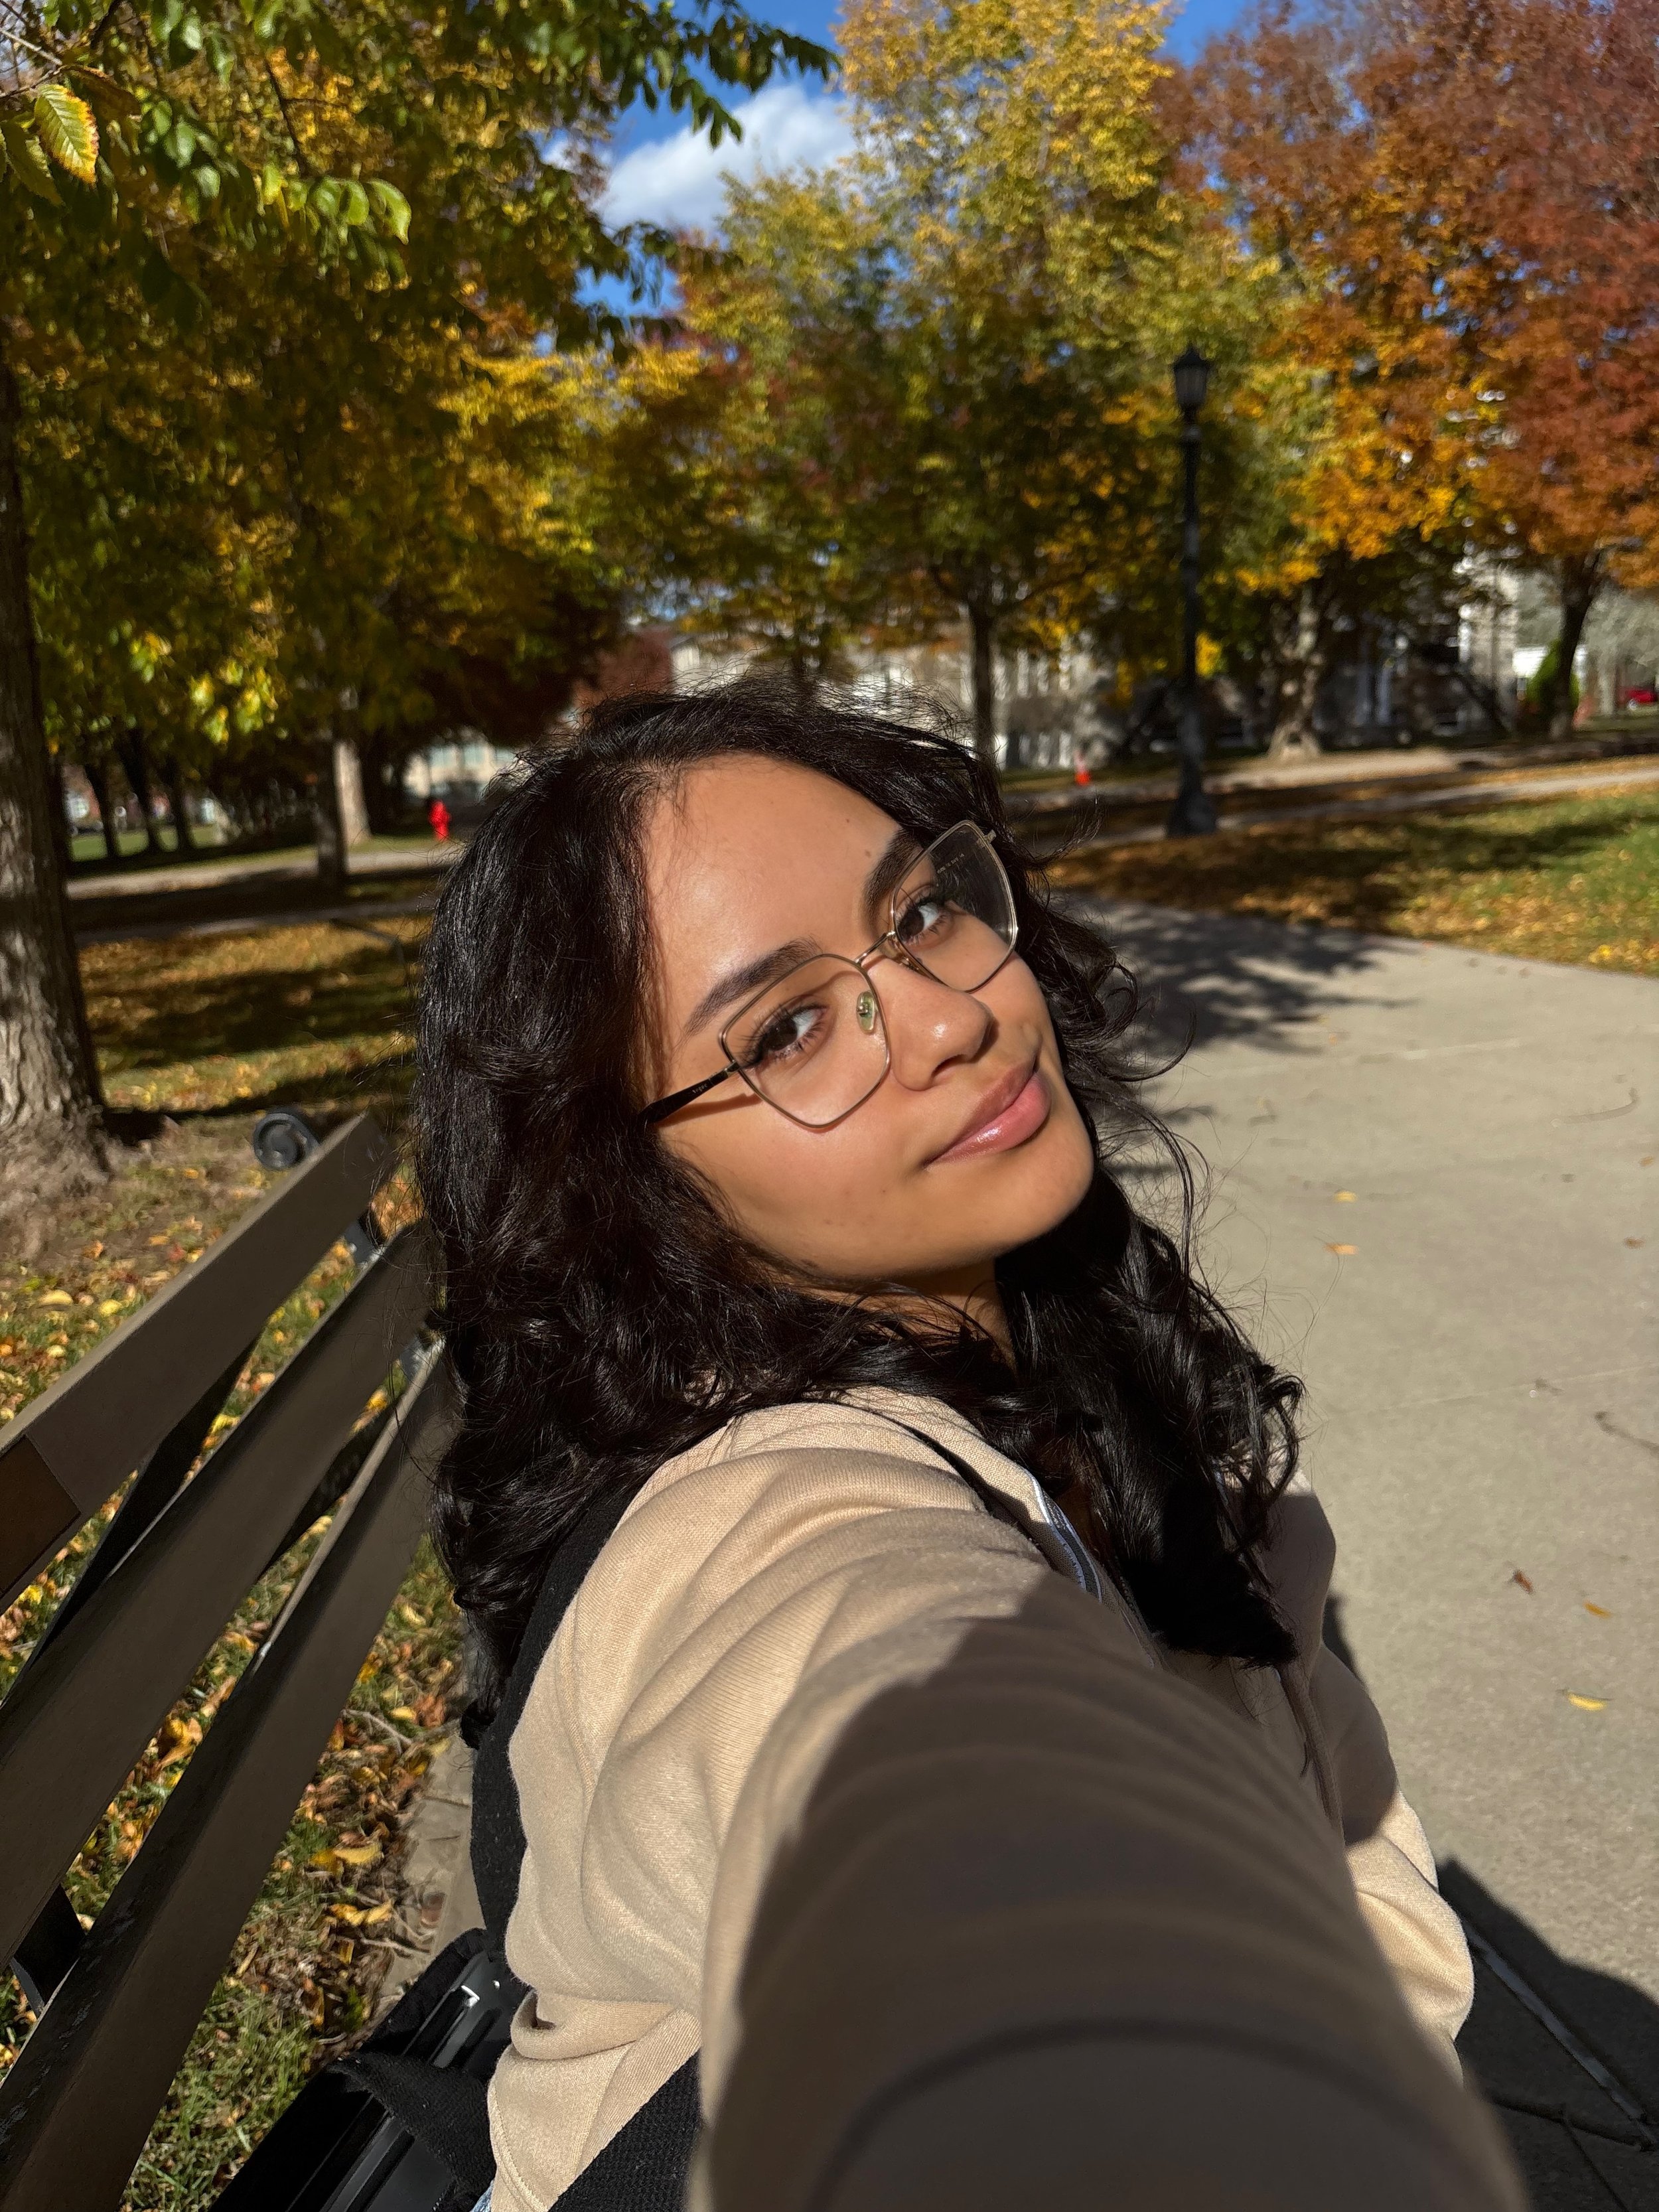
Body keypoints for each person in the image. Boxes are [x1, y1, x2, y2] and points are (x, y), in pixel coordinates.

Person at [414, 680, 1521, 2212]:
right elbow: (867, 1694)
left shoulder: (1067, 1353)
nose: (953, 1015)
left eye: (922, 910)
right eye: (787, 1028)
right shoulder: (759, 1515)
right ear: (624, 1183)